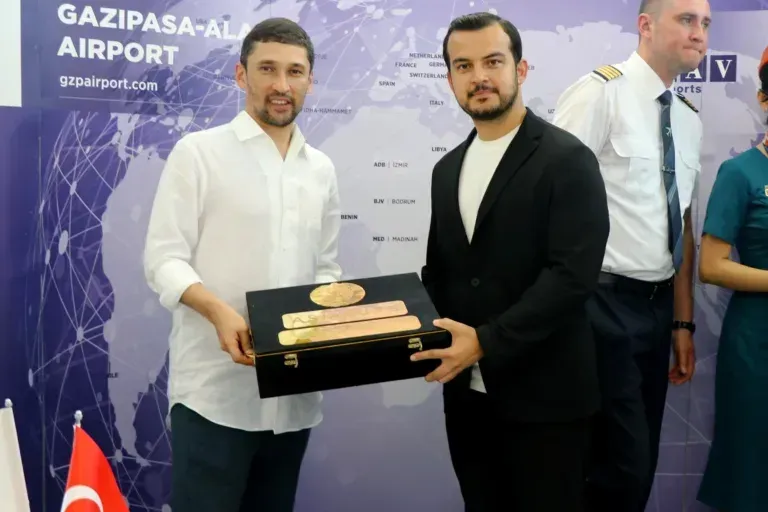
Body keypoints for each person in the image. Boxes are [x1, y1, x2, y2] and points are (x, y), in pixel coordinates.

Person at [412, 12, 610, 511]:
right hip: (467, 401)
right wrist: (403, 332)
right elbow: (440, 273)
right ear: (450, 79)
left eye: (493, 61)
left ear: (520, 70)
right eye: (463, 65)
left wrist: (484, 341)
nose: (479, 76)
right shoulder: (445, 169)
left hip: (548, 402)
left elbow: (572, 278)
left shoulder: (567, 159)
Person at [143, 18, 342, 512]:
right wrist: (218, 311)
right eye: (267, 69)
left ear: (310, 80)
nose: (281, 85)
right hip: (214, 397)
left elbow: (326, 270)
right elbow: (163, 258)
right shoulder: (198, 154)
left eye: (295, 71)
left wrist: (329, 319)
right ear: (240, 75)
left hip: (294, 397)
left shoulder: (321, 169)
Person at [551, 1, 710, 510]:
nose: (700, 34)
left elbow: (681, 224)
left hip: (657, 311)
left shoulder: (687, 118)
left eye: (706, 23)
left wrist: (681, 323)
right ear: (645, 25)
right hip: (600, 305)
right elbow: (546, 201)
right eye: (687, 20)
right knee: (617, 468)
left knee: (636, 470)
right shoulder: (598, 94)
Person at [696, 45, 768, 512]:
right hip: (756, 344)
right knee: (751, 470)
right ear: (763, 98)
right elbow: (711, 265)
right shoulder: (740, 172)